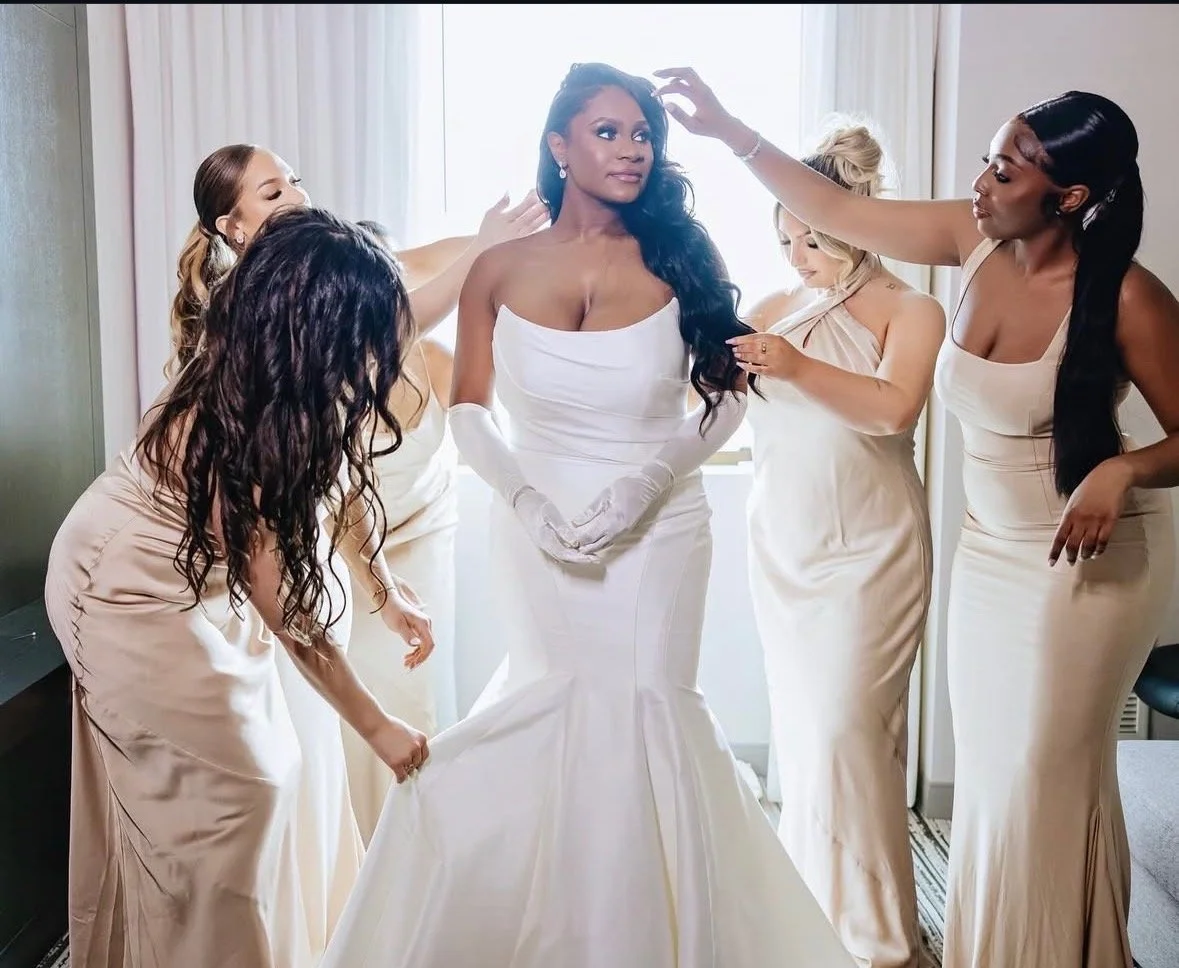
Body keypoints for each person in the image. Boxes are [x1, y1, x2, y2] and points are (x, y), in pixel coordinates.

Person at [318, 62, 856, 968]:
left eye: (643, 132)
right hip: (536, 531)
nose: (632, 148)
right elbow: (468, 410)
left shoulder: (683, 255)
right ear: (559, 145)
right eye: (608, 131)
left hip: (662, 530)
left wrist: (647, 480)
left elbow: (726, 397)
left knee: (646, 711)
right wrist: (524, 498)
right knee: (549, 706)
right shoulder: (496, 267)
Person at [656, 67, 1179, 968]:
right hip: (987, 560)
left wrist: (1122, 471)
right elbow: (832, 206)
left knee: (1037, 780)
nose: (979, 184)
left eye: (1006, 172)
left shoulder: (1127, 294)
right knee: (990, 785)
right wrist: (727, 129)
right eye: (986, 160)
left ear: (1071, 196)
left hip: (1087, 564)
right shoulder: (967, 244)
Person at [166, 142, 547, 934]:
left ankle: (400, 890)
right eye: (274, 192)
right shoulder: (260, 328)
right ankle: (356, 903)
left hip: (362, 526)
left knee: (397, 703)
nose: (298, 196)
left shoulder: (343, 277)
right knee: (322, 731)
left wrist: (490, 243)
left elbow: (416, 298)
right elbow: (292, 519)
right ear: (230, 227)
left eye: (296, 179)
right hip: (294, 540)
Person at [43, 207, 434, 968]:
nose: (383, 350)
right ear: (309, 325)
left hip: (197, 575)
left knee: (268, 781)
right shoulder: (240, 417)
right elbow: (284, 607)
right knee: (239, 794)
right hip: (120, 586)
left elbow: (334, 488)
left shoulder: (301, 379)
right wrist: (379, 727)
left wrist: (385, 588)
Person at [730, 120, 942, 968]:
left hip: (871, 555)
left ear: (850, 222)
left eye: (808, 239)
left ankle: (879, 938)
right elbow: (712, 403)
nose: (795, 259)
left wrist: (794, 367)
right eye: (783, 240)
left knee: (853, 730)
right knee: (810, 735)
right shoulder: (773, 308)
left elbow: (893, 411)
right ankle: (811, 917)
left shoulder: (913, 308)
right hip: (782, 544)